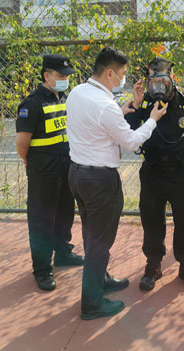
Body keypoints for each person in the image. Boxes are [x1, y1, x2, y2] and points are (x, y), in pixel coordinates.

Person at [66, 47, 167, 320]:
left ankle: (100, 280)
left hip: (77, 174)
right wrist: (152, 120)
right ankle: (92, 303)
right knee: (100, 241)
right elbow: (131, 142)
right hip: (99, 180)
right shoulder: (104, 105)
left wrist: (125, 109)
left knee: (91, 234)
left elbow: (96, 124)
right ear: (110, 73)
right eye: (122, 73)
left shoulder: (78, 92)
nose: (123, 78)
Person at [125, 57, 184, 292]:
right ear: (147, 82)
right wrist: (136, 105)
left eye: (162, 80)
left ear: (171, 78)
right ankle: (153, 264)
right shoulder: (143, 104)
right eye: (153, 81)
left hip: (180, 171)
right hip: (152, 171)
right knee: (151, 219)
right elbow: (128, 133)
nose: (158, 86)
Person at [16, 54, 84, 292]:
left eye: (67, 75)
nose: (65, 79)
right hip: (43, 173)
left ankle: (63, 253)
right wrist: (34, 164)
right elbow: (21, 144)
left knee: (65, 214)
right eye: (60, 75)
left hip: (66, 168)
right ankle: (42, 269)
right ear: (47, 75)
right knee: (42, 221)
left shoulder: (65, 98)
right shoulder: (32, 104)